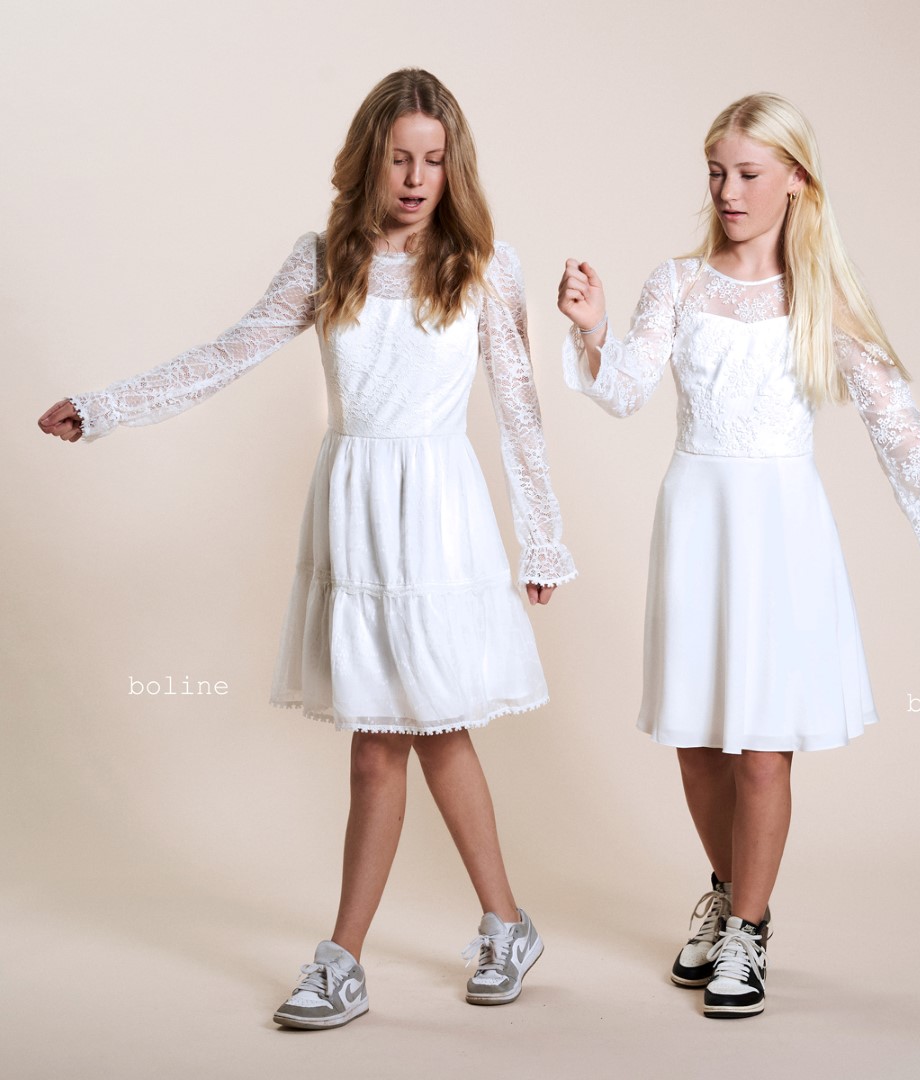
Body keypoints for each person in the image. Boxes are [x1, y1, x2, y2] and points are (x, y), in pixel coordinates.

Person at [39, 68, 575, 1028]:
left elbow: (521, 411)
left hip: (439, 518)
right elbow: (227, 351)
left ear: (455, 168)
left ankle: (380, 951)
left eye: (434, 161)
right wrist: (107, 407)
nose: (416, 179)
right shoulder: (325, 260)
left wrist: (542, 540)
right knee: (396, 739)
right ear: (369, 160)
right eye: (399, 159)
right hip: (358, 514)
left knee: (424, 731)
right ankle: (465, 932)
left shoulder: (487, 266)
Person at [557, 91, 920, 1019]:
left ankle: (750, 930)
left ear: (795, 179)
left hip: (781, 531)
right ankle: (728, 892)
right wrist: (594, 329)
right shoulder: (679, 283)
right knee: (695, 743)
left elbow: (894, 418)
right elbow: (626, 389)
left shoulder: (820, 298)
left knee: (763, 748)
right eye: (717, 173)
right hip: (697, 519)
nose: (728, 191)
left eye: (748, 174)